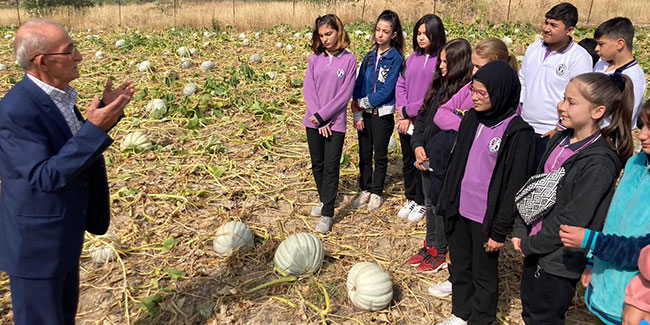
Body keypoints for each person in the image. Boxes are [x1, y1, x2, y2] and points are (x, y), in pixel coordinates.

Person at [0, 20, 134, 324]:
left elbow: (68, 149)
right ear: (42, 61)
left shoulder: (58, 97)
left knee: (62, 316)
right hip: (37, 246)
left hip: (62, 234)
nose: (79, 56)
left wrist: (104, 115)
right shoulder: (17, 109)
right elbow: (44, 176)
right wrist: (94, 129)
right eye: (69, 50)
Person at [512, 72, 634, 324]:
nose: (561, 106)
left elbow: (572, 218)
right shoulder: (560, 139)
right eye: (563, 98)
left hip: (557, 260)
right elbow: (534, 189)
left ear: (598, 112)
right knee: (530, 312)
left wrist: (530, 246)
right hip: (536, 249)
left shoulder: (599, 163)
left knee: (544, 317)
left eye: (571, 102)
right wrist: (520, 229)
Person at [436, 60, 536, 325]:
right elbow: (457, 164)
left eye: (482, 93)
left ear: (501, 93)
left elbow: (514, 186)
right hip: (460, 209)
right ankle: (460, 312)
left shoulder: (518, 132)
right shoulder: (472, 119)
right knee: (459, 266)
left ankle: (480, 318)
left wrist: (498, 230)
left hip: (484, 218)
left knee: (484, 274)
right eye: (473, 91)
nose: (475, 98)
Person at [425, 37, 519, 296]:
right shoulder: (470, 89)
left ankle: (475, 292)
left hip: (482, 187)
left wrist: (469, 123)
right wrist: (469, 125)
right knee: (459, 236)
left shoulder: (509, 103)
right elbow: (442, 114)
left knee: (479, 245)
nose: (474, 73)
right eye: (474, 67)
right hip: (460, 172)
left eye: (480, 67)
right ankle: (456, 277)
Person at [556, 100, 650, 324]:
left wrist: (590, 240)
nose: (643, 135)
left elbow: (644, 250)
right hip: (608, 283)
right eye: (642, 126)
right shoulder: (636, 163)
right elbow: (613, 217)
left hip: (636, 302)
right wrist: (592, 260)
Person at [406, 38, 473, 274]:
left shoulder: (465, 95)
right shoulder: (437, 87)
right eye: (441, 61)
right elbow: (422, 119)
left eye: (446, 62)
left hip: (444, 162)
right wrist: (417, 145)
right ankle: (430, 244)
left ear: (459, 64)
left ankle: (441, 249)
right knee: (428, 202)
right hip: (425, 156)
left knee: (440, 205)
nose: (441, 66)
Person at [519, 2, 593, 168]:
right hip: (525, 127)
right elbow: (523, 79)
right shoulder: (533, 48)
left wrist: (559, 129)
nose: (546, 28)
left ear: (569, 30)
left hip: (551, 133)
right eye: (546, 22)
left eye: (553, 25)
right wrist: (520, 109)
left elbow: (581, 98)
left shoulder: (579, 58)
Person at [302, 14, 357, 234]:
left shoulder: (349, 60)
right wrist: (317, 115)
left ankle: (327, 213)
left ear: (339, 32)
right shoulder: (315, 58)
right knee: (318, 164)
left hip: (335, 123)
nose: (325, 39)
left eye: (329, 34)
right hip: (313, 120)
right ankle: (325, 199)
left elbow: (344, 95)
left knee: (332, 166)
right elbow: (308, 88)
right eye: (321, 35)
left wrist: (324, 116)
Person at [351, 9, 404, 211]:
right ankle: (364, 187)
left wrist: (362, 103)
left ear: (394, 34)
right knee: (364, 153)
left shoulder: (395, 59)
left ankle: (377, 191)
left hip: (382, 116)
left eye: (386, 31)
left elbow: (386, 90)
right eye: (378, 30)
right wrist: (357, 112)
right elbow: (358, 84)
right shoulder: (369, 57)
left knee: (380, 154)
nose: (380, 34)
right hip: (364, 115)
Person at [394, 14, 445, 223]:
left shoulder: (440, 60)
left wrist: (409, 111)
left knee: (422, 162)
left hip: (425, 121)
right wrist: (402, 111)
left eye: (426, 34)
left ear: (436, 35)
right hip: (406, 121)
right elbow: (400, 85)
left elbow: (432, 95)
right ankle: (411, 197)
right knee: (407, 161)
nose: (421, 38)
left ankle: (424, 201)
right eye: (418, 33)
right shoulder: (412, 58)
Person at [593, 17, 646, 127]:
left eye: (601, 44)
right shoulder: (602, 63)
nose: (596, 48)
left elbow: (625, 117)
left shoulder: (633, 77)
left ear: (620, 44)